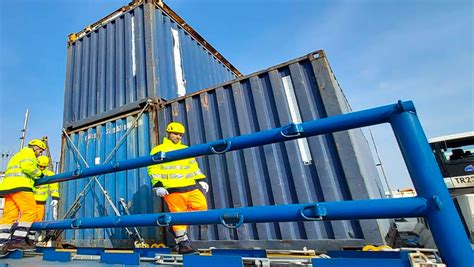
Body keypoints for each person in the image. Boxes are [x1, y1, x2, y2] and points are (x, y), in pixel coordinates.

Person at [147, 122, 209, 254]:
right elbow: (153, 169)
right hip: (172, 190)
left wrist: (201, 179)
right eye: (176, 134)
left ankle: (173, 226)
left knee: (202, 208)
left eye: (180, 135)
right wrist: (157, 185)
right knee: (178, 215)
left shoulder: (185, 148)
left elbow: (193, 166)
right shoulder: (158, 150)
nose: (178, 137)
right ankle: (183, 244)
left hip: (191, 187)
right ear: (168, 133)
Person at [0, 139, 46, 256]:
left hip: (7, 187)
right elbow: (28, 167)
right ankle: (16, 241)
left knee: (9, 216)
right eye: (40, 150)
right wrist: (40, 174)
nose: (40, 153)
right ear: (35, 147)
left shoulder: (18, 155)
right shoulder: (28, 153)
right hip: (20, 186)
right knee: (30, 211)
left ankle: (2, 243)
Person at [34, 156, 59, 222]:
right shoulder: (33, 173)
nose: (42, 168)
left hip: (41, 202)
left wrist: (55, 197)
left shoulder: (49, 174)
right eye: (40, 166)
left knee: (38, 220)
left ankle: (34, 232)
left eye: (44, 167)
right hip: (30, 200)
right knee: (27, 219)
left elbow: (54, 187)